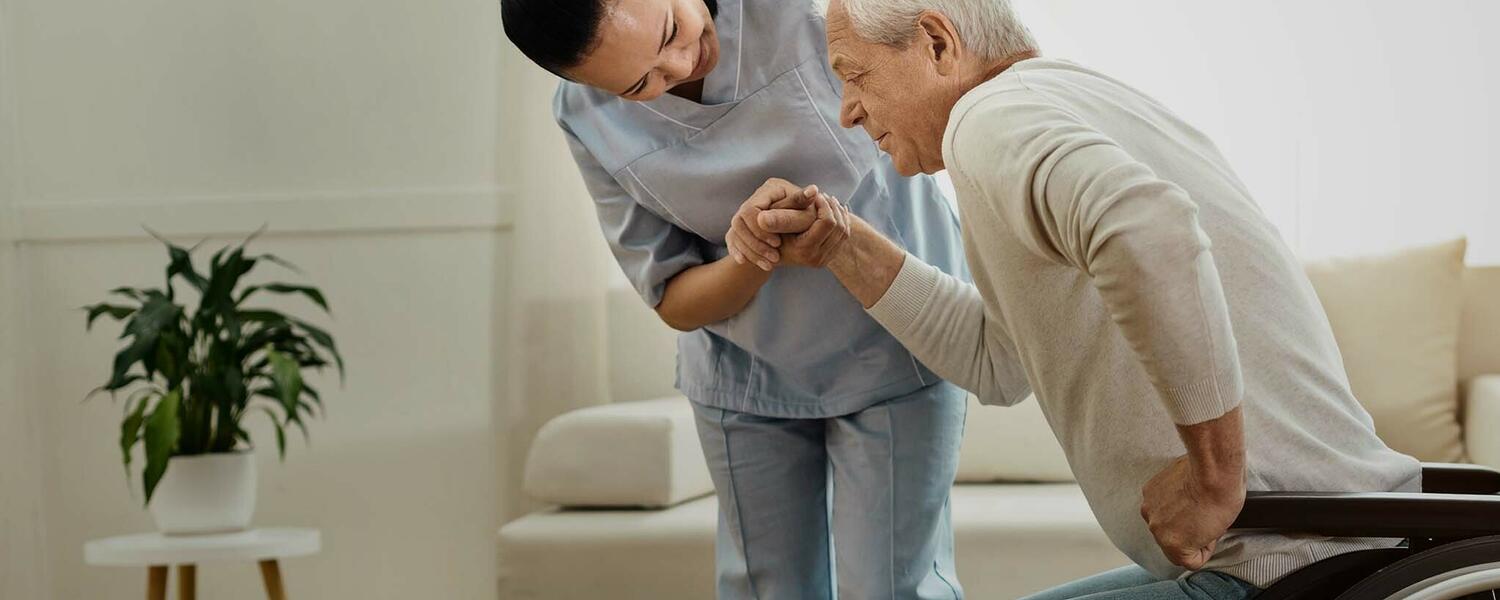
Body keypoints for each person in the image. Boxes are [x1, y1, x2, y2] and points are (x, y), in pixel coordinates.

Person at [735, 0, 1424, 598]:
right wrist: (841, 244)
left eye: (855, 76)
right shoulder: (1060, 99)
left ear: (937, 44)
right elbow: (998, 360)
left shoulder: (988, 121)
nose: (848, 111)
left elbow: (1150, 231)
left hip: (1292, 566)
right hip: (1333, 546)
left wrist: (1215, 477)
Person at [500, 0, 974, 597]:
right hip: (744, 375)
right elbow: (672, 296)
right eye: (640, 85)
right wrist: (754, 253)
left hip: (897, 342)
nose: (680, 65)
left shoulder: (801, 12)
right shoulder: (584, 116)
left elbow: (940, 95)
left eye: (671, 32)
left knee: (896, 589)